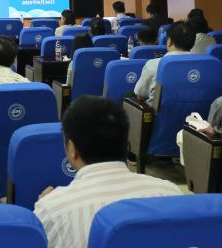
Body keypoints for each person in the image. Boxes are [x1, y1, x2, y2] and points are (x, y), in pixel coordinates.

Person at [33, 96, 181, 248]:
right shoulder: (171, 194)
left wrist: (52, 203)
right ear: (126, 142)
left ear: (71, 148)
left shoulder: (51, 211)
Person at [134, 21, 197, 108]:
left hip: (157, 115)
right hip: (197, 115)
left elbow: (140, 96)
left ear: (169, 41)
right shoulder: (204, 66)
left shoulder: (153, 64)